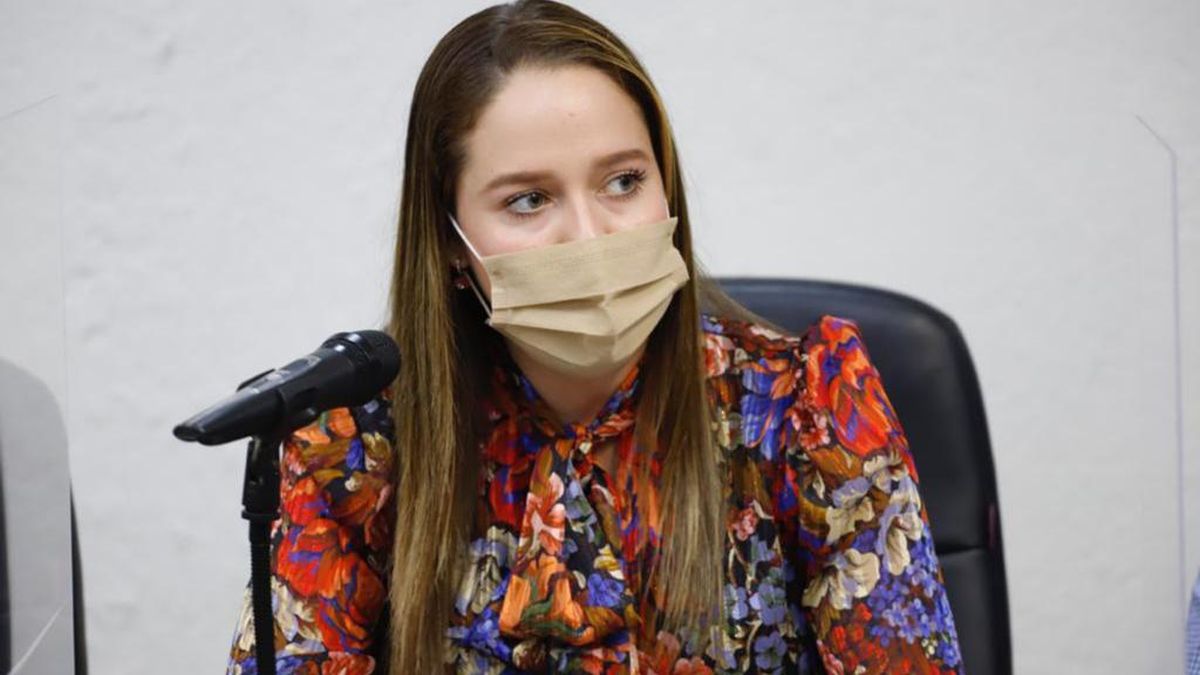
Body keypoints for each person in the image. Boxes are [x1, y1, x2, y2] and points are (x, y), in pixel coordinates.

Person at [225, 1, 963, 672]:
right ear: (451, 241)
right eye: (528, 199)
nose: (589, 235)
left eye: (622, 182)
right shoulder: (352, 449)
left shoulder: (805, 409)